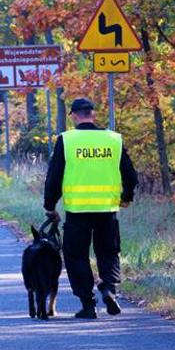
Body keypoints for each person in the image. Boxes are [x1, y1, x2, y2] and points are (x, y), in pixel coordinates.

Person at [43, 98, 138, 319]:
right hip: (107, 209)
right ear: (92, 114)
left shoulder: (67, 140)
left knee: (76, 256)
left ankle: (88, 304)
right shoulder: (113, 139)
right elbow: (131, 175)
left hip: (78, 211)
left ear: (73, 115)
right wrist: (127, 197)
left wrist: (50, 206)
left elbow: (54, 178)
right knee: (108, 251)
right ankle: (109, 288)